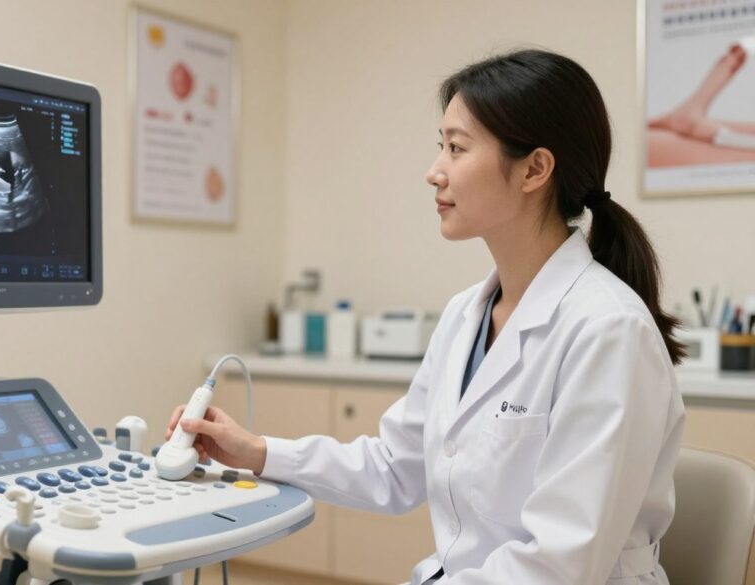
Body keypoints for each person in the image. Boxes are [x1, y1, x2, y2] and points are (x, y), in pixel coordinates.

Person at [167, 49, 686, 585]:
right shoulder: (468, 315)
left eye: (456, 148)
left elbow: (559, 565)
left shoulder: (608, 331)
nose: (433, 172)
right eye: (441, 147)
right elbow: (396, 466)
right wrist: (256, 452)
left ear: (535, 169)